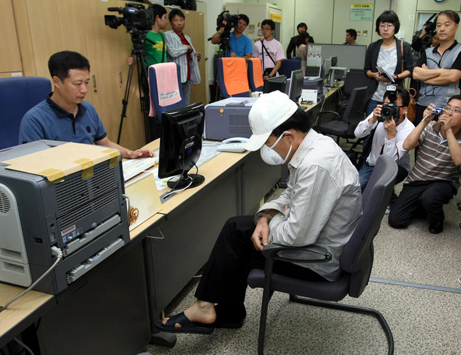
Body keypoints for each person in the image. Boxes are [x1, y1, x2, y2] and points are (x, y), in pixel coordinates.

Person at [154, 91, 362, 334]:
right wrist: (265, 217)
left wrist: (266, 225)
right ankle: (215, 308)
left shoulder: (315, 165)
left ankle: (212, 309)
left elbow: (296, 236)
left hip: (317, 262)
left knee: (236, 240)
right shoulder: (314, 145)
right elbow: (291, 195)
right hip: (321, 243)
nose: (265, 147)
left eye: (266, 142)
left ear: (288, 135)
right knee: (239, 230)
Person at [19, 51, 154, 159]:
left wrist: (130, 153)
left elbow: (104, 143)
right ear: (57, 82)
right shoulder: (34, 120)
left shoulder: (88, 109)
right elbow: (33, 167)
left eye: (87, 82)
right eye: (77, 84)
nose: (84, 89)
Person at [388, 95, 461, 234]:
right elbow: (407, 145)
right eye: (447, 108)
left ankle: (437, 220)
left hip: (444, 181)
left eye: (456, 110)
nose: (449, 112)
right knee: (396, 220)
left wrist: (448, 131)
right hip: (417, 179)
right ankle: (423, 205)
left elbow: (459, 160)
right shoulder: (429, 127)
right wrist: (424, 121)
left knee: (430, 198)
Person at [412, 10, 461, 127]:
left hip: (448, 108)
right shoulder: (428, 52)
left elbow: (453, 77)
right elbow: (416, 74)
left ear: (456, 27)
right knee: (419, 140)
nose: (442, 29)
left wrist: (426, 76)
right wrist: (442, 71)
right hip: (423, 104)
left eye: (447, 25)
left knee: (442, 142)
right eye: (439, 25)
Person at [354, 87, 415, 196]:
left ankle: (389, 198)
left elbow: (391, 160)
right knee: (355, 190)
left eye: (394, 105)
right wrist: (372, 119)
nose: (389, 108)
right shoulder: (381, 113)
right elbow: (357, 133)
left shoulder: (409, 130)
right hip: (372, 163)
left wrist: (391, 135)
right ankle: (387, 195)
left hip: (395, 168)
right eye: (386, 104)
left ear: (405, 109)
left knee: (374, 191)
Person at [364, 10, 413, 116]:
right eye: (382, 26)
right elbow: (366, 70)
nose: (385, 29)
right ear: (378, 28)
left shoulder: (404, 47)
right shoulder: (373, 47)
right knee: (371, 129)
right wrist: (374, 75)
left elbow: (409, 70)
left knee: (392, 128)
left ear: (395, 27)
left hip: (395, 98)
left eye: (389, 25)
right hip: (375, 97)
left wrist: (395, 76)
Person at [165, 9, 201, 105]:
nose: (179, 23)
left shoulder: (187, 37)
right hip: (176, 77)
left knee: (186, 104)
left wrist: (196, 56)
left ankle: (186, 120)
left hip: (187, 76)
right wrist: (186, 48)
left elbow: (190, 53)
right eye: (176, 20)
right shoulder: (168, 35)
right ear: (171, 22)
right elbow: (172, 52)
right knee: (176, 105)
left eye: (181, 20)